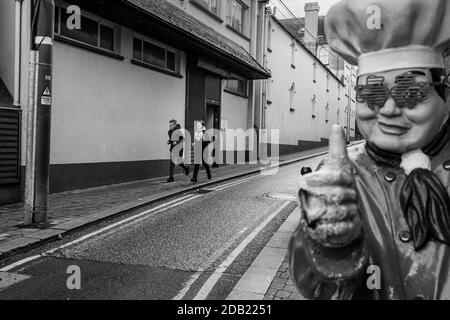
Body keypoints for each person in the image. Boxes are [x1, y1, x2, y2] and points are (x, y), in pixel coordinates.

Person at [289, 0, 450, 300]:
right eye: (372, 92)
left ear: (444, 93)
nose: (389, 109)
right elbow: (316, 288)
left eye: (410, 92)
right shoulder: (341, 175)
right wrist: (329, 243)